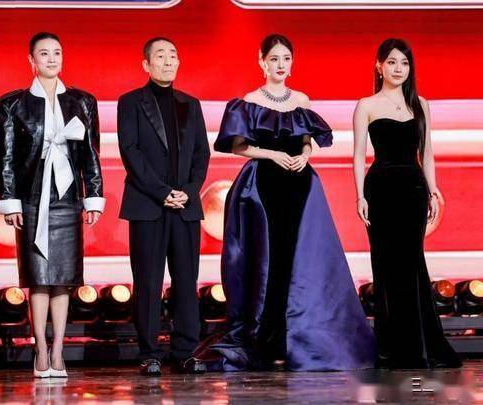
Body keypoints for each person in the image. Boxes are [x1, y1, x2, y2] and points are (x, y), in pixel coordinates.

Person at [195, 34, 375, 372]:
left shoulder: (301, 99)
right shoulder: (248, 101)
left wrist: (304, 155)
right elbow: (238, 147)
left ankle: (297, 339)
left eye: (286, 59)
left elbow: (307, 141)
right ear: (262, 62)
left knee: (298, 260)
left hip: (298, 186)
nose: (281, 65)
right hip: (263, 187)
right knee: (268, 261)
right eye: (274, 59)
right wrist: (273, 154)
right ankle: (267, 339)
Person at [0, 32, 104, 378]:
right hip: (31, 197)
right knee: (38, 277)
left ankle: (59, 350)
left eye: (57, 52)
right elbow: (5, 157)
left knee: (63, 278)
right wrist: (9, 201)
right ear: (31, 60)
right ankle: (40, 347)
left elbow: (91, 154)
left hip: (67, 198)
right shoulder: (12, 104)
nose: (52, 59)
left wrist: (93, 195)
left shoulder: (82, 102)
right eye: (44, 53)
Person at [352, 38, 461, 369]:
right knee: (386, 267)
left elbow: (427, 153)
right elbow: (358, 155)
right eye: (392, 62)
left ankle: (420, 347)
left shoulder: (421, 104)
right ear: (379, 66)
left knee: (412, 264)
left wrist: (433, 190)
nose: (398, 69)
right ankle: (392, 349)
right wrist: (359, 196)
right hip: (380, 190)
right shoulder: (366, 105)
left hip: (413, 189)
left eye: (404, 63)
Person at [117, 37, 210, 376]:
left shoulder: (191, 104)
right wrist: (162, 192)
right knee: (148, 281)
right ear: (146, 64)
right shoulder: (130, 102)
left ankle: (185, 351)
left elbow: (201, 153)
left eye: (173, 55)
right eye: (161, 56)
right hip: (148, 205)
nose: (169, 61)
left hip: (185, 207)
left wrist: (188, 191)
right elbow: (131, 153)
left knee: (186, 281)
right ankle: (150, 353)